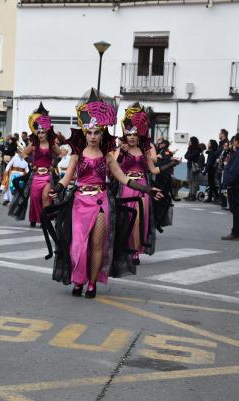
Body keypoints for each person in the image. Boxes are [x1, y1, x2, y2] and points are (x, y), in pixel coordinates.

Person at [44, 90, 163, 298]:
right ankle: (78, 279)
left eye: (96, 132)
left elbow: (124, 179)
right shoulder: (76, 155)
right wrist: (57, 189)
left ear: (102, 133)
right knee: (78, 245)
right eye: (89, 132)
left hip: (100, 203)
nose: (92, 136)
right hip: (79, 202)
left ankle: (91, 283)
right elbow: (66, 178)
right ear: (84, 132)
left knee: (97, 245)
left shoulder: (108, 157)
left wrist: (147, 189)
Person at [114, 103, 177, 265]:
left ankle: (135, 251)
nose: (132, 137)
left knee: (139, 220)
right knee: (125, 219)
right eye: (129, 134)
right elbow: (114, 167)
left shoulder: (145, 151)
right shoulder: (120, 149)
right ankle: (124, 247)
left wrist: (171, 164)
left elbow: (154, 170)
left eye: (135, 134)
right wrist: (121, 153)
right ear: (125, 135)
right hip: (126, 187)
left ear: (139, 135)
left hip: (142, 187)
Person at [18, 103, 61, 227]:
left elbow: (61, 154)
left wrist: (54, 164)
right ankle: (33, 218)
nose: (41, 134)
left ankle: (45, 219)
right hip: (36, 176)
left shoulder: (52, 145)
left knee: (45, 197)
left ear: (47, 133)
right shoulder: (33, 145)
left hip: (47, 176)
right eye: (39, 132)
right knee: (35, 198)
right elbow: (23, 154)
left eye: (43, 132)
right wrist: (31, 163)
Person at [1, 140, 29, 205]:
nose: (21, 152)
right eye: (20, 151)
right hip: (13, 174)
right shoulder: (15, 158)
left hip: (21, 175)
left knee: (19, 188)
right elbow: (9, 164)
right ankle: (10, 200)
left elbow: (27, 169)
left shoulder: (26, 159)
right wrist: (6, 170)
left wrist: (28, 174)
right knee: (11, 187)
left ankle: (16, 200)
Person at [184, 136, 201, 201]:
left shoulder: (197, 150)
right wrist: (189, 155)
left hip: (194, 167)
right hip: (189, 166)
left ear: (193, 142)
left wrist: (189, 156)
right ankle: (190, 194)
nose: (189, 142)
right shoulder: (190, 149)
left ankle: (193, 195)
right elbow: (186, 156)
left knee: (194, 182)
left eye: (190, 141)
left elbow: (190, 156)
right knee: (190, 181)